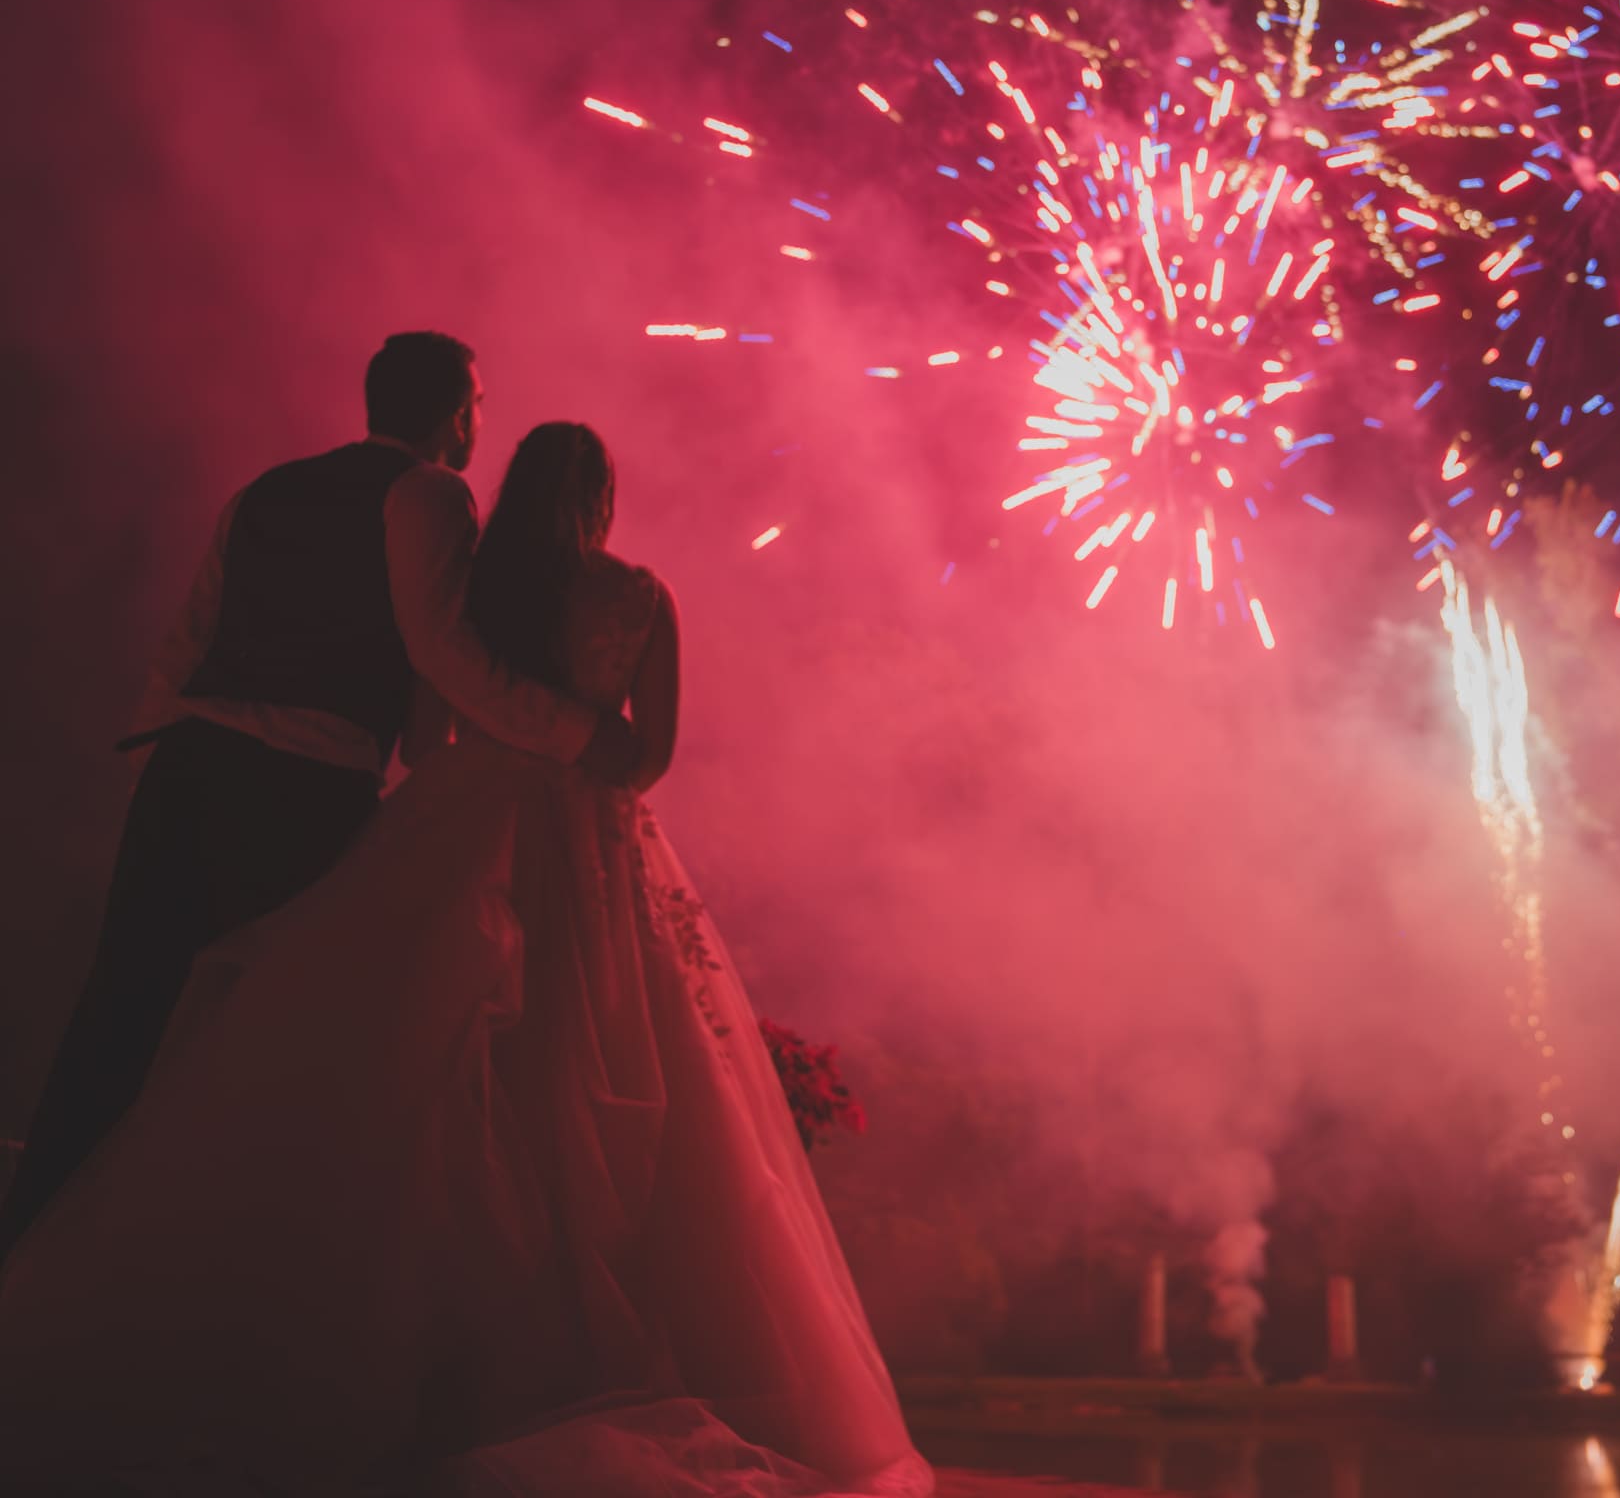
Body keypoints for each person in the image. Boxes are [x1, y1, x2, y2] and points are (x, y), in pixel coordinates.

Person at [0, 423, 931, 1498]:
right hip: (593, 844)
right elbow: (653, 755)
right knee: (617, 1070)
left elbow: (430, 732)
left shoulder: (473, 602)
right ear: (604, 499)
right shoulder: (642, 597)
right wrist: (583, 760)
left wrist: (499, 762)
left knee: (431, 1068)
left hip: (465, 824)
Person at [0, 334, 648, 1263]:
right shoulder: (429, 494)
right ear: (452, 413)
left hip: (189, 769)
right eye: (475, 403)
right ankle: (206, 1264)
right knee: (273, 1039)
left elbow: (189, 641)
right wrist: (582, 734)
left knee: (122, 1017)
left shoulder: (266, 489)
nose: (478, 422)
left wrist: (165, 771)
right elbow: (442, 653)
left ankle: (36, 1249)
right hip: (300, 790)